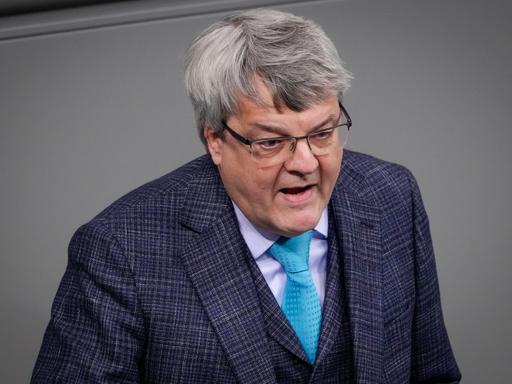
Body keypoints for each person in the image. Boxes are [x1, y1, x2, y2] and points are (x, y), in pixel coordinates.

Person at [31, 8, 461, 384]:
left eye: (323, 133)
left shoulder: (392, 196)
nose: (306, 163)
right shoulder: (118, 249)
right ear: (215, 140)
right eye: (272, 142)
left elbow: (432, 373)